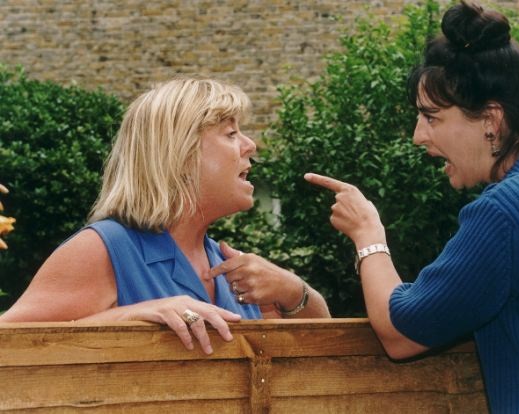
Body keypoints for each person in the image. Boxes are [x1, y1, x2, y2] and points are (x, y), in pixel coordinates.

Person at [305, 1, 519, 411]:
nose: (417, 136)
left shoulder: (508, 209)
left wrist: (367, 234)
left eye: (432, 117)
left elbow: (401, 332)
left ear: (491, 121)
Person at [0, 78, 330, 354]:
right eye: (230, 134)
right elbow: (10, 346)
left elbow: (322, 355)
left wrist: (294, 291)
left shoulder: (229, 264)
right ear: (180, 154)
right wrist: (128, 317)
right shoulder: (105, 248)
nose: (250, 145)